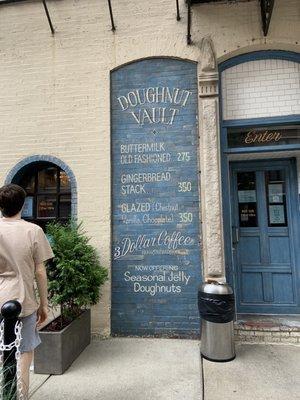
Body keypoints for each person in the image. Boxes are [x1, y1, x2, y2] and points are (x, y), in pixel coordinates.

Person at [0, 183, 54, 399]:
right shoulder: (33, 231)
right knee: (24, 352)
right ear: (23, 205)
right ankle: (19, 396)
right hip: (23, 300)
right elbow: (40, 272)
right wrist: (44, 303)